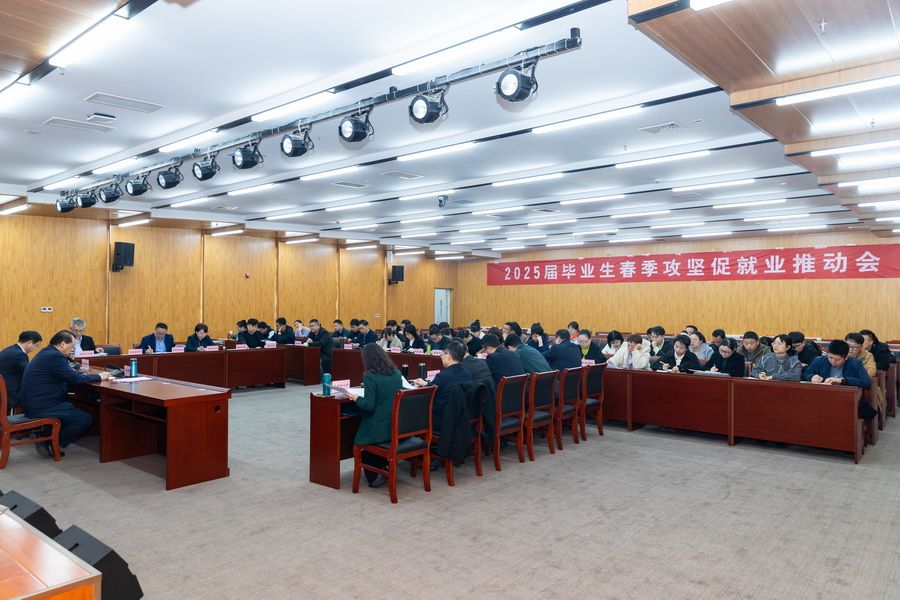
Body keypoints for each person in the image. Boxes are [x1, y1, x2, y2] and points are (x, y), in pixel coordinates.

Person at [21, 330, 110, 455]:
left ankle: (45, 435)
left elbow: (66, 373)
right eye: (72, 346)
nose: (73, 349)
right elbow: (74, 378)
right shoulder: (54, 356)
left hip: (35, 402)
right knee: (84, 419)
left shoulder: (47, 352)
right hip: (42, 405)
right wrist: (100, 376)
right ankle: (50, 442)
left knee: (71, 406)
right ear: (63, 344)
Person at [346, 344, 404, 488]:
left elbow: (369, 406)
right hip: (395, 426)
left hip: (378, 427)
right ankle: (383, 468)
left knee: (358, 443)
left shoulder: (369, 375)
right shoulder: (396, 373)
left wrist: (356, 398)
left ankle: (374, 477)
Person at [803, 340, 872, 419]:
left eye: (837, 359)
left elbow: (866, 383)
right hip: (822, 398)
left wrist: (843, 380)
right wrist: (812, 377)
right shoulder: (819, 360)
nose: (833, 361)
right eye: (830, 357)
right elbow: (806, 374)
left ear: (846, 357)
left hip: (847, 401)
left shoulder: (855, 364)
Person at [413, 339, 472, 423]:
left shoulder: (443, 376)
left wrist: (424, 385)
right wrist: (426, 383)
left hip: (442, 419)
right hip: (461, 417)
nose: (441, 357)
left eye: (443, 354)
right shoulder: (467, 374)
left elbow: (430, 392)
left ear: (448, 356)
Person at [0, 331, 42, 409]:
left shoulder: (9, 350)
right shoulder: (19, 354)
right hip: (12, 394)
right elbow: (30, 372)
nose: (36, 349)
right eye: (36, 345)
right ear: (29, 343)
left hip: (4, 391)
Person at [846, 332, 883, 414]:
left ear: (861, 347)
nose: (850, 349)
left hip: (862, 385)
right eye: (848, 346)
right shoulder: (840, 353)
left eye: (854, 347)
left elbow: (871, 372)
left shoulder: (867, 355)